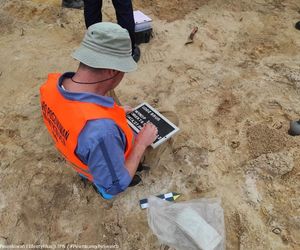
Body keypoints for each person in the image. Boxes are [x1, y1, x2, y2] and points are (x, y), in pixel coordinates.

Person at [40, 22, 157, 199]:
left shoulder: (51, 85)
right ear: (112, 71)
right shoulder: (102, 132)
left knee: (108, 94)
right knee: (170, 121)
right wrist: (141, 143)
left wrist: (115, 112)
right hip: (101, 173)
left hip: (78, 156)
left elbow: (75, 116)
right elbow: (114, 186)